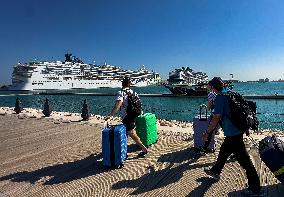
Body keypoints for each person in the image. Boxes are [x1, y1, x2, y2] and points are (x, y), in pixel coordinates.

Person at [202, 77, 262, 196]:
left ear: (213, 88)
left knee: (245, 162)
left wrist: (207, 132)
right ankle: (215, 171)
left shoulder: (220, 98)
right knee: (224, 151)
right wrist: (245, 128)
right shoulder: (231, 93)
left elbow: (216, 118)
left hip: (233, 134)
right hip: (236, 131)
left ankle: (255, 189)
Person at [105, 77, 148, 157]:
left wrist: (111, 115)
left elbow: (118, 104)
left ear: (122, 84)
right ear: (130, 84)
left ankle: (144, 149)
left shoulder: (121, 92)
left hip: (127, 116)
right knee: (126, 132)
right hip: (134, 114)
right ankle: (122, 149)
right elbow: (139, 104)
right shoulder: (133, 92)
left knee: (131, 133)